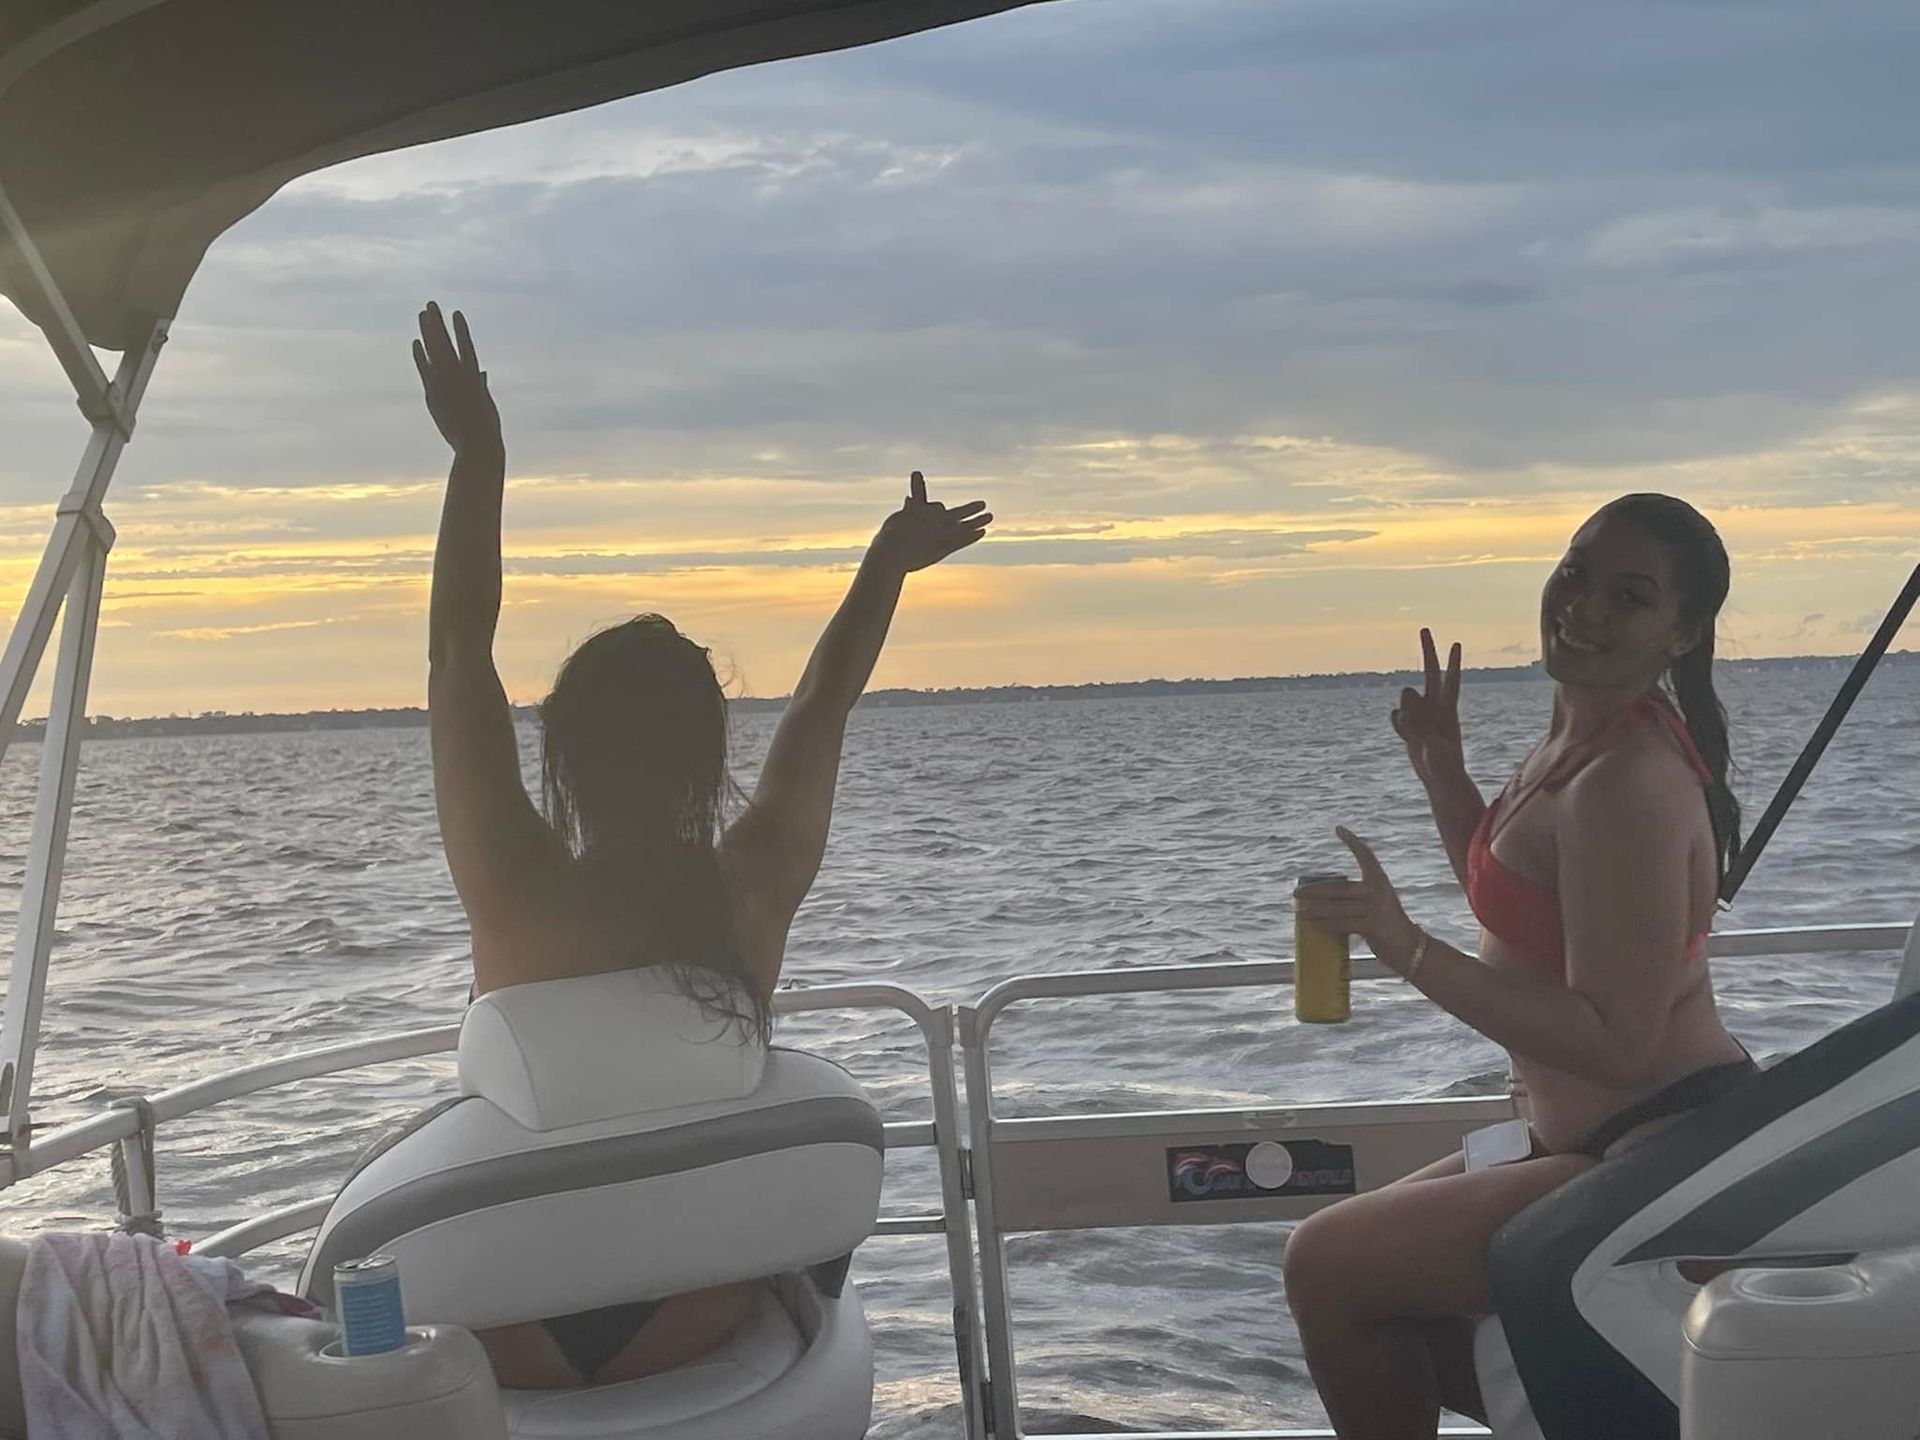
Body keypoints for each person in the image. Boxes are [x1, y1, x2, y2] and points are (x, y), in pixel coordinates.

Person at [411, 301, 991, 1388]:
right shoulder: (754, 884)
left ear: (563, 761)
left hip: (520, 1336)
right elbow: (825, 702)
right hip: (705, 1315)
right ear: (708, 756)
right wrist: (885, 567)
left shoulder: (514, 884)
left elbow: (457, 656)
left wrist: (479, 457)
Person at [1286, 494, 1752, 1437]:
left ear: (1681, 632)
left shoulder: (1625, 783)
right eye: (1577, 572)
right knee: (1363, 1291)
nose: (1584, 605)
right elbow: (1518, 907)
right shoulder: (1572, 748)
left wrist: (1405, 947)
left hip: (1653, 1143)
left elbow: (1617, 1044)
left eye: (1630, 595)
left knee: (1327, 1266)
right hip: (1573, 1140)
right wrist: (1443, 770)